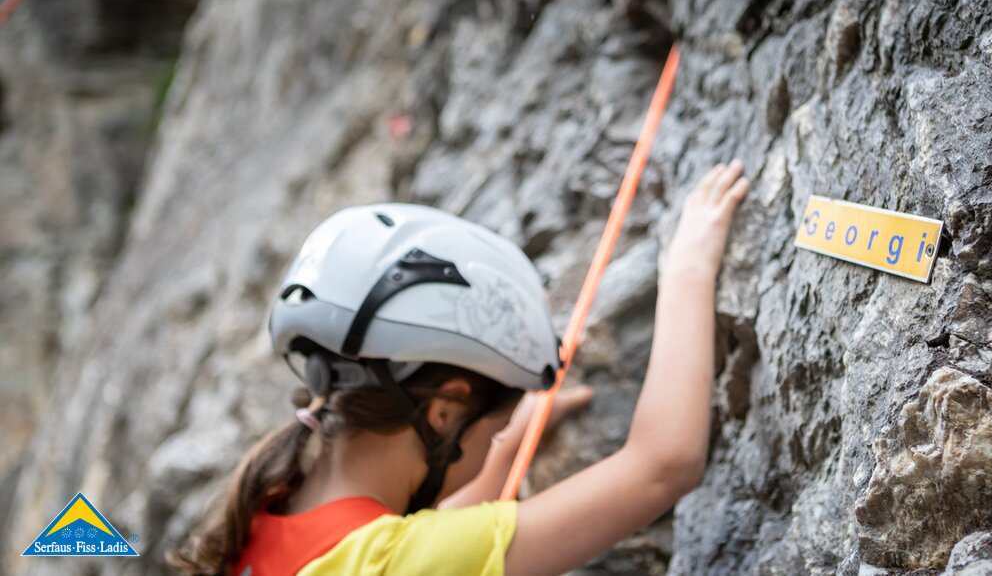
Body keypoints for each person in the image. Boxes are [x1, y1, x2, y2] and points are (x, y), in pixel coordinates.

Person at [167, 159, 751, 575]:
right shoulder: (393, 562)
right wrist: (688, 264)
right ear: (444, 411)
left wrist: (500, 444)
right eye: (489, 428)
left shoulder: (265, 517)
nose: (494, 441)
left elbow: (433, 543)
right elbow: (663, 464)